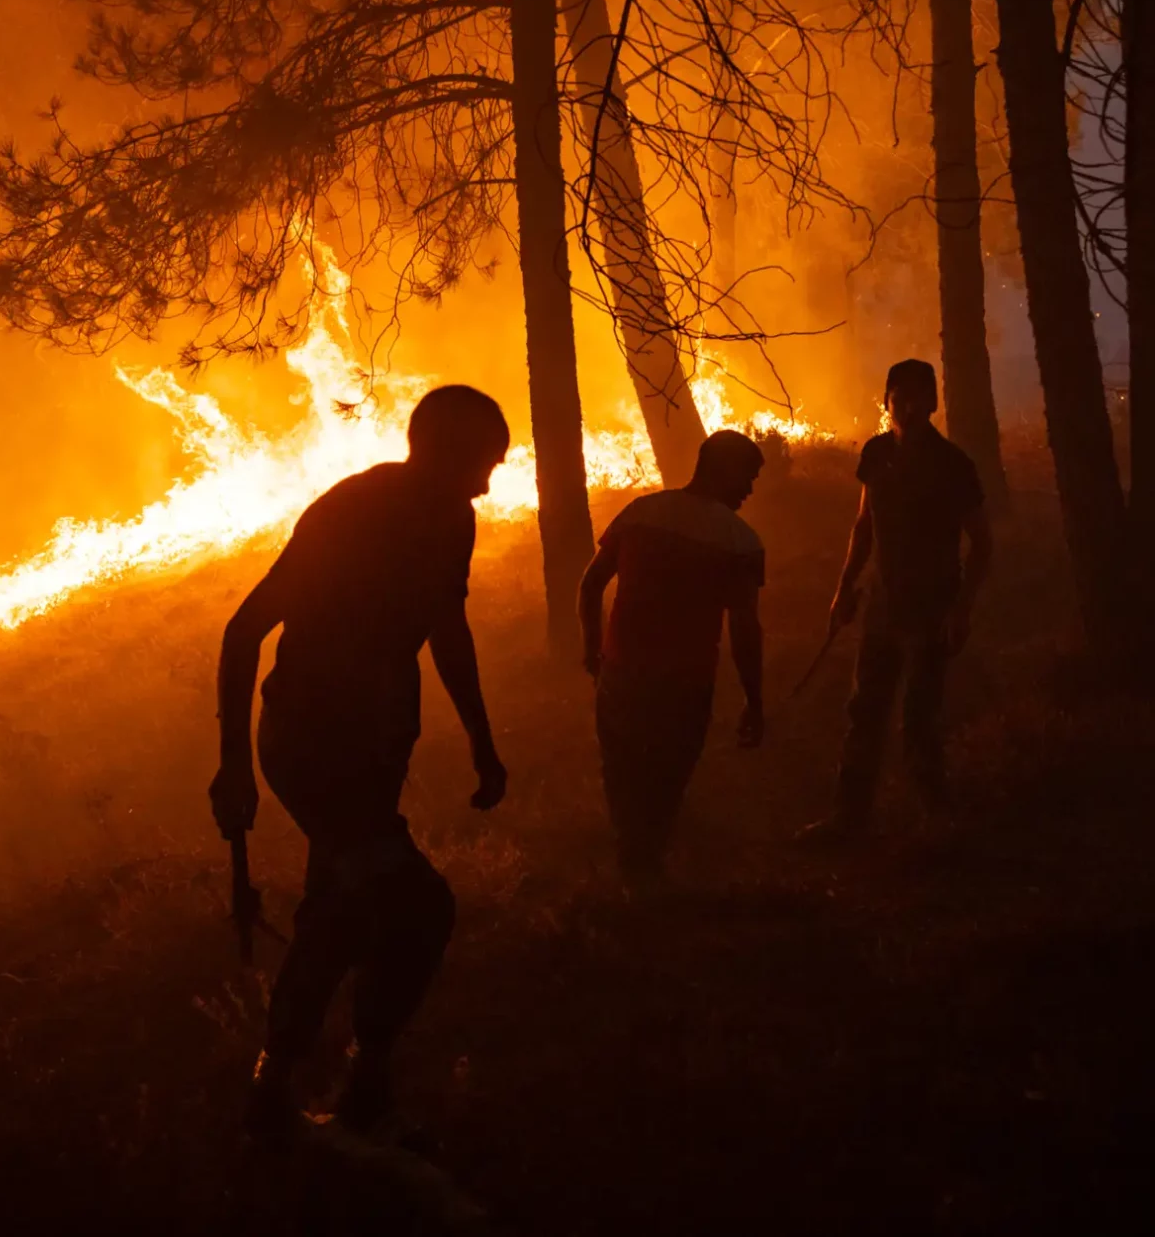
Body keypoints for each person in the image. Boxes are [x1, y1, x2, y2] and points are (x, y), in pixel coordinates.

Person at [211, 384, 512, 1140]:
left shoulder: (454, 519)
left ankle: (276, 1079)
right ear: (438, 449)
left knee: (338, 910)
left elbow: (447, 625)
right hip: (310, 742)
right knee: (420, 907)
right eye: (482, 462)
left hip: (377, 742)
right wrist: (235, 767)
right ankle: (364, 1075)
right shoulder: (350, 513)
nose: (488, 481)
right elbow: (246, 630)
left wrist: (481, 738)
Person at [800, 358, 993, 841]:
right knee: (864, 710)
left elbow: (982, 541)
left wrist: (961, 608)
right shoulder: (878, 454)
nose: (907, 406)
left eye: (917, 396)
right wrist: (844, 590)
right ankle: (850, 817)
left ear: (932, 402)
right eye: (898, 395)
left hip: (932, 607)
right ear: (885, 400)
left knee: (919, 717)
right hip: (883, 606)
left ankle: (935, 819)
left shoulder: (953, 465)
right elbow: (864, 526)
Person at [577, 429, 768, 886]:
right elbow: (744, 627)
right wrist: (754, 701)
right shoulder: (740, 540)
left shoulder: (642, 512)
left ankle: (632, 863)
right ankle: (647, 865)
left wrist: (592, 649)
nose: (749, 490)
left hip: (621, 671)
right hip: (685, 682)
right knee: (667, 776)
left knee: (622, 771)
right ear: (720, 471)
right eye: (747, 477)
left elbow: (590, 584)